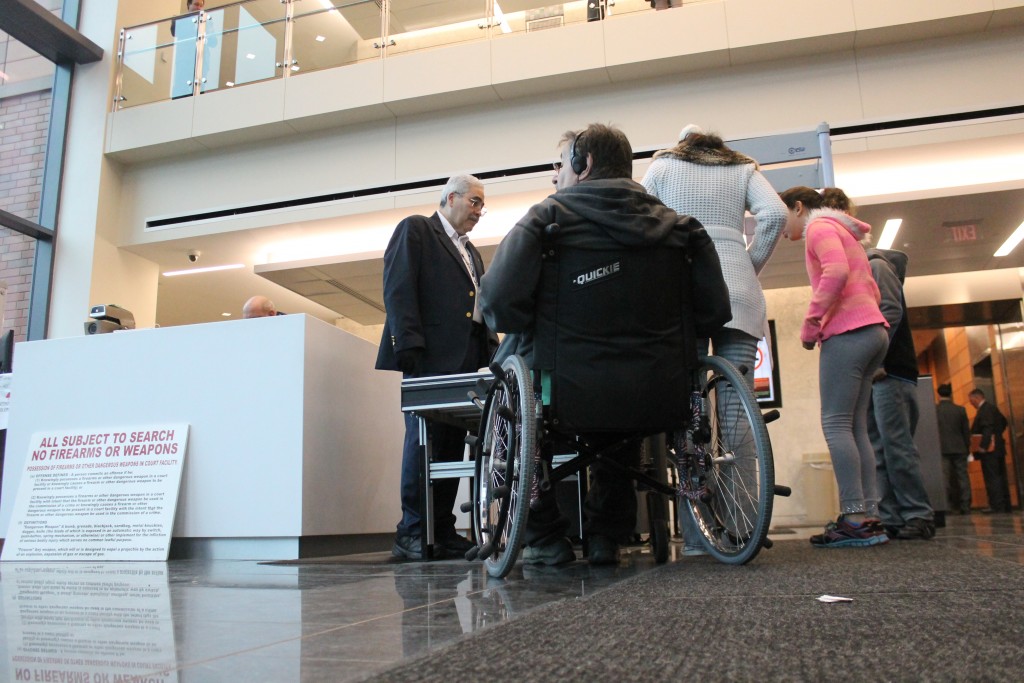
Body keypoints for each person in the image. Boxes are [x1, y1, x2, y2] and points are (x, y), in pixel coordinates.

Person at [480, 123, 730, 566]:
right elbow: (712, 313)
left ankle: (545, 538)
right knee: (619, 421)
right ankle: (604, 538)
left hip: (566, 385)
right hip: (654, 390)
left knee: (524, 387)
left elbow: (498, 304)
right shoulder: (682, 229)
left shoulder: (545, 219)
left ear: (585, 163)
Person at [642, 123, 787, 555]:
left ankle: (697, 537)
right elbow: (776, 214)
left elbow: (637, 217)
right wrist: (747, 262)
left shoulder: (664, 167)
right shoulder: (742, 169)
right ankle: (745, 526)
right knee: (738, 416)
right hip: (738, 292)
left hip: (682, 292)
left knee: (691, 417)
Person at [376, 174, 498, 561]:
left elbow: (476, 307)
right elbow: (398, 287)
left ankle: (441, 529)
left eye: (482, 205)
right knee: (422, 441)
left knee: (451, 445)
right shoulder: (416, 230)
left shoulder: (472, 251)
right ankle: (411, 530)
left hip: (466, 360)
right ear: (450, 198)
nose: (480, 211)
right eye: (475, 202)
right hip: (427, 357)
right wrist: (408, 345)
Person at [779, 186, 889, 548]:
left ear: (798, 207)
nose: (782, 230)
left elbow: (836, 272)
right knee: (856, 425)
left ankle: (854, 517)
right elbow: (870, 287)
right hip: (874, 331)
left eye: (783, 219)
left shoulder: (819, 227)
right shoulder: (844, 231)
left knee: (836, 424)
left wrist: (811, 323)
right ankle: (869, 514)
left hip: (849, 332)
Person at [863, 241, 935, 540]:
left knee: (897, 448)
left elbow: (890, 313)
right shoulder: (866, 270)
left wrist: (878, 358)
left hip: (890, 371)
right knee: (878, 449)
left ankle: (918, 514)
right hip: (873, 372)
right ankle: (891, 515)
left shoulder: (877, 267)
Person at [968, 388, 1012, 513]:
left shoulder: (985, 410)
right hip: (999, 448)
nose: (971, 403)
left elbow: (987, 428)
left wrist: (983, 445)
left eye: (971, 401)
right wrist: (997, 436)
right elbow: (1004, 422)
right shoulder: (993, 408)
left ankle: (996, 505)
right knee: (1001, 476)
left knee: (992, 477)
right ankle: (1005, 505)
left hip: (990, 450)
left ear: (977, 398)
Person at [936, 383, 972, 515]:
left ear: (938, 394)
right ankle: (965, 506)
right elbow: (966, 432)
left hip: (942, 449)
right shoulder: (960, 410)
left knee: (944, 478)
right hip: (960, 448)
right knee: (963, 478)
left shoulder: (935, 410)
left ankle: (947, 506)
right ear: (950, 394)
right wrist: (967, 448)